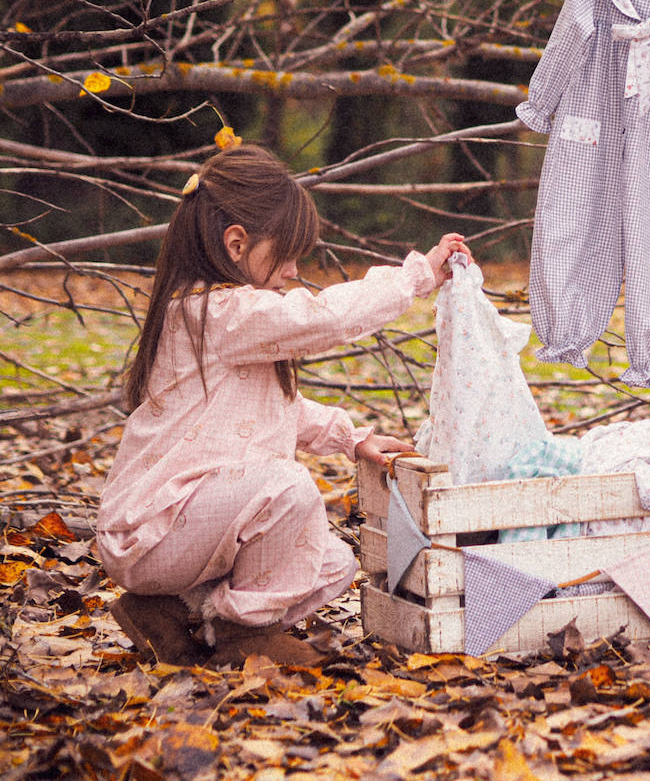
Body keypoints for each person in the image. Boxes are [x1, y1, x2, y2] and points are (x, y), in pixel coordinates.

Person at [96, 144, 471, 666]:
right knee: (289, 486)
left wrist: (350, 437)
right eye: (287, 254)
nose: (294, 270)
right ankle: (240, 634)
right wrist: (415, 278)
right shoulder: (217, 312)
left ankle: (177, 615)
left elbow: (272, 408)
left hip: (184, 533)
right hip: (152, 532)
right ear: (235, 244)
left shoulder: (220, 317)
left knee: (331, 562)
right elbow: (322, 320)